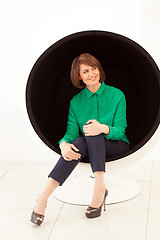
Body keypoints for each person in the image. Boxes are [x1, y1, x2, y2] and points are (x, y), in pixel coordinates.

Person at [30, 53, 130, 225]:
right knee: (79, 140)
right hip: (90, 145)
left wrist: (102, 128)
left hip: (116, 144)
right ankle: (43, 197)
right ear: (79, 76)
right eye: (85, 71)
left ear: (99, 70)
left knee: (93, 130)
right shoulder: (76, 102)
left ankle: (99, 187)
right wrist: (63, 145)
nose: (91, 74)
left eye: (94, 68)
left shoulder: (117, 95)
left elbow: (120, 131)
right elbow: (71, 134)